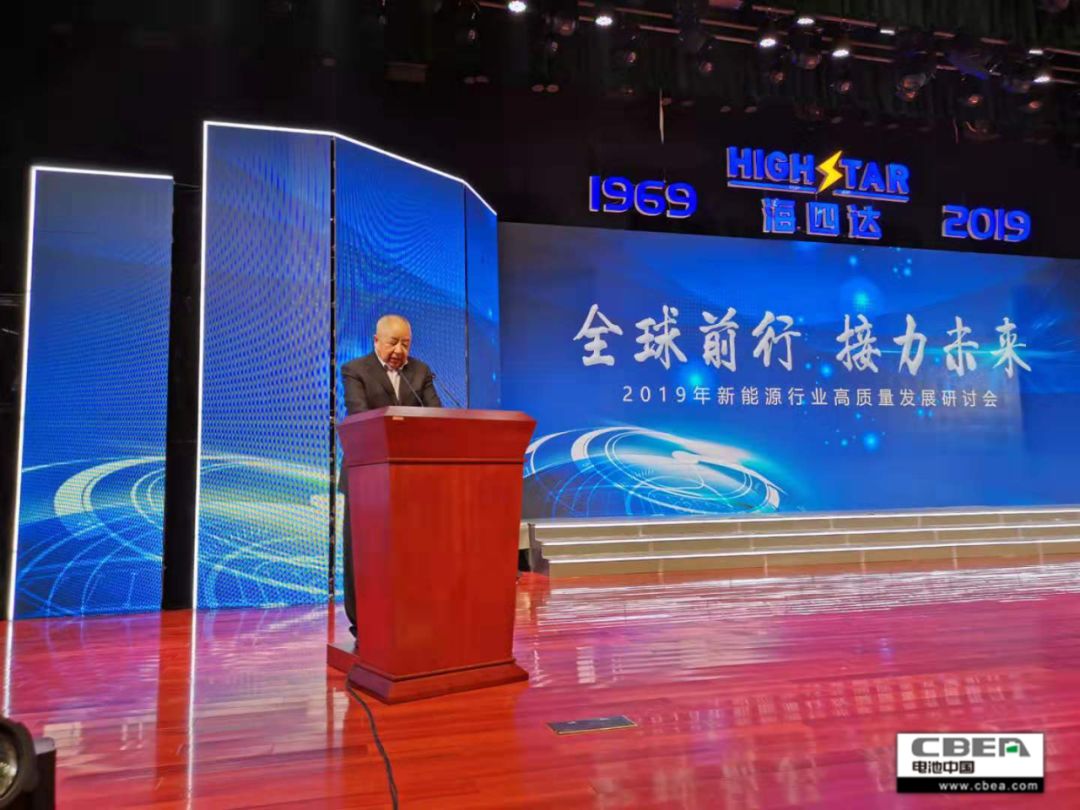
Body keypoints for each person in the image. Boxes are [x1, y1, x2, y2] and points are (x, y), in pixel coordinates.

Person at [339, 314, 441, 638]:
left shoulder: (420, 372)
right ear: (376, 341)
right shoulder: (355, 370)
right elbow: (360, 416)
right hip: (366, 476)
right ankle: (363, 622)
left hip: (410, 479)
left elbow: (436, 417)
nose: (399, 350)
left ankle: (411, 617)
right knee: (362, 552)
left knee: (410, 552)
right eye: (393, 343)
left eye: (405, 344)